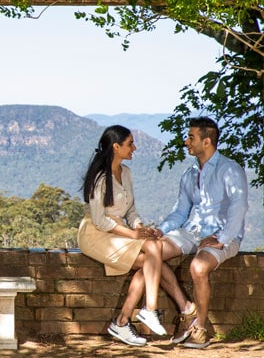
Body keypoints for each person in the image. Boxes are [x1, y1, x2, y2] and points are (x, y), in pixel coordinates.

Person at [152, 116, 250, 349]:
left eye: (191, 137)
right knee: (149, 253)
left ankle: (200, 330)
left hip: (220, 235)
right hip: (191, 231)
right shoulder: (189, 174)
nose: (186, 142)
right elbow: (180, 211)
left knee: (198, 267)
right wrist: (160, 231)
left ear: (207, 141)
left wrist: (223, 238)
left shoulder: (229, 169)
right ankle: (187, 308)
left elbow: (239, 206)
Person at [78, 125, 167, 346]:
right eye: (130, 144)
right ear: (116, 147)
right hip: (96, 234)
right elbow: (100, 220)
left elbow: (131, 211)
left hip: (118, 232)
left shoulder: (126, 173)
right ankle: (149, 310)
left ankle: (124, 321)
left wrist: (141, 228)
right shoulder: (100, 177)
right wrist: (133, 234)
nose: (134, 148)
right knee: (153, 251)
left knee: (151, 255)